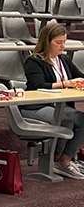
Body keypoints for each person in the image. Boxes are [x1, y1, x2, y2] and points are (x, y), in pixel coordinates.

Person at [20, 20, 84, 180]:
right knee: (65, 121)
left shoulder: (64, 60)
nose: (63, 46)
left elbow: (80, 77)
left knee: (82, 120)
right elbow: (37, 85)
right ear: (47, 42)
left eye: (64, 42)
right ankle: (55, 159)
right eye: (58, 43)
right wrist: (65, 84)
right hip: (35, 106)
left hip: (59, 106)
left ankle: (66, 159)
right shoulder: (34, 61)